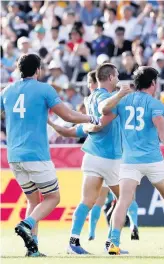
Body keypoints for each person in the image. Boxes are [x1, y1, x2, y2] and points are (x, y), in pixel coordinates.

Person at [0, 54, 96, 257]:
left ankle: (32, 249)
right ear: (38, 70)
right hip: (35, 154)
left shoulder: (7, 91)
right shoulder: (44, 89)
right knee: (53, 197)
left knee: (33, 201)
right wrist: (90, 117)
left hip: (14, 155)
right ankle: (26, 224)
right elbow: (68, 115)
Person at [99, 66, 164, 255]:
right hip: (153, 160)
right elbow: (163, 131)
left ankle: (113, 242)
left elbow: (104, 111)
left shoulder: (123, 101)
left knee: (122, 202)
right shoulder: (155, 104)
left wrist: (119, 95)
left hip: (129, 161)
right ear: (153, 83)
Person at [65, 64, 128, 255]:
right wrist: (121, 94)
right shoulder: (105, 97)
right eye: (116, 75)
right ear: (109, 77)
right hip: (109, 157)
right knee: (125, 199)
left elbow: (95, 122)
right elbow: (104, 112)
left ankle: (73, 241)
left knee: (87, 200)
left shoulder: (91, 96)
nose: (118, 78)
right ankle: (112, 242)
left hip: (92, 154)